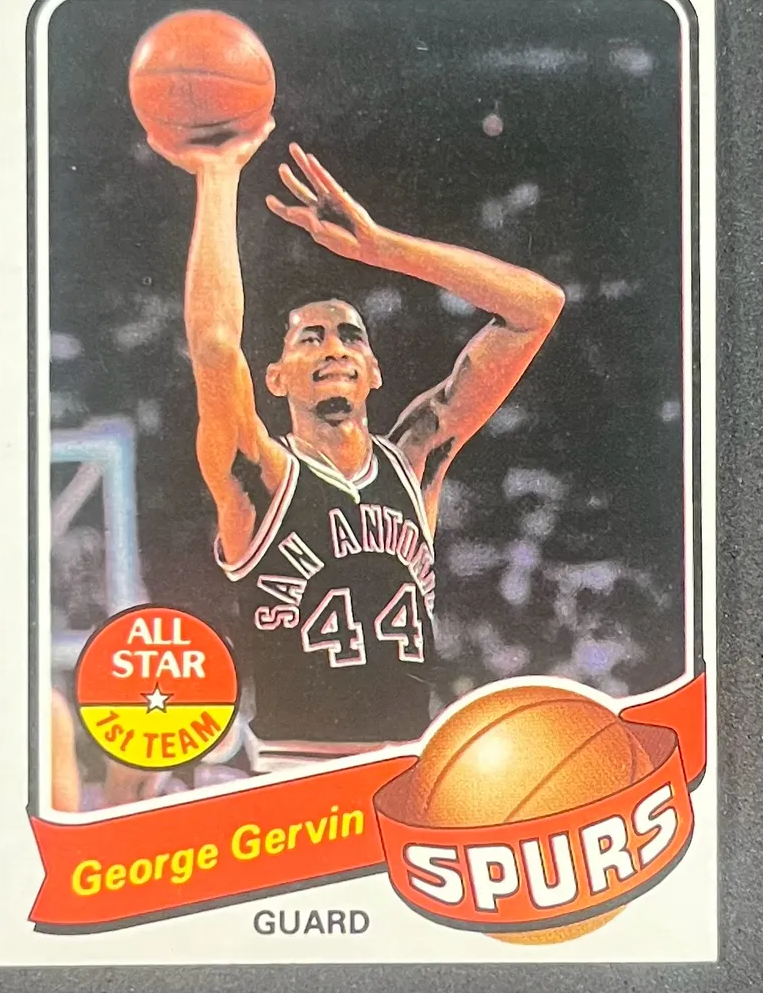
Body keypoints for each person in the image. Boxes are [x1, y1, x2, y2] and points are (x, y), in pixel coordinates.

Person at [151, 119, 564, 773]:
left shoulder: (415, 462)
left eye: (351, 336)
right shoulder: (262, 478)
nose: (335, 347)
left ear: (373, 371)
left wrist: (382, 247)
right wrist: (218, 176)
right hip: (296, 777)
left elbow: (537, 309)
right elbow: (215, 349)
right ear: (276, 378)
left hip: (409, 775)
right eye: (309, 338)